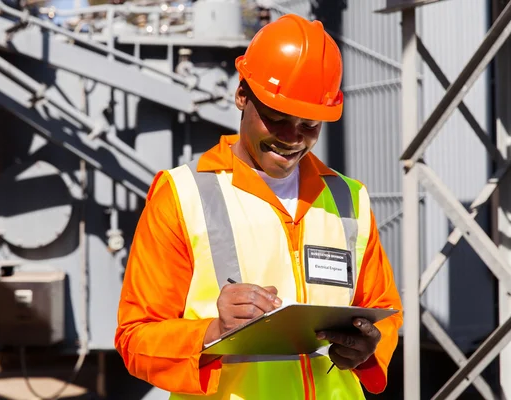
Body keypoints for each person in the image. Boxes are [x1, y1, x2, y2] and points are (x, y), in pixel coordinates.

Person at [115, 13, 403, 399]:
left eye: (309, 125)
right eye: (276, 118)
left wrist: (367, 350)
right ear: (241, 96)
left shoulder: (348, 198)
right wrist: (214, 331)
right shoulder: (182, 195)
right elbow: (135, 337)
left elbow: (383, 310)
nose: (291, 139)